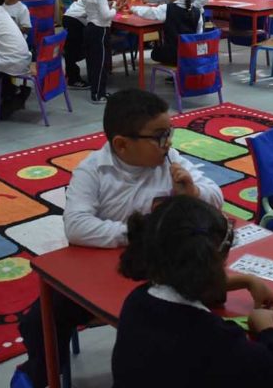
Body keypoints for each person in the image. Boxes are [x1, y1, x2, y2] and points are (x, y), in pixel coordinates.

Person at [15, 89, 224, 388]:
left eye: (169, 133)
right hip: (101, 273)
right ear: (122, 144)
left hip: (162, 273)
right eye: (159, 136)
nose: (168, 143)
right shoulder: (93, 171)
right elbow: (77, 226)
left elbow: (216, 198)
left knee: (208, 298)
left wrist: (193, 193)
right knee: (38, 321)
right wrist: (142, 233)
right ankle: (43, 370)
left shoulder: (169, 161)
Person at [112, 195, 273, 388]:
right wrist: (267, 328)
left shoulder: (136, 300)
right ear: (211, 263)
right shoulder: (214, 338)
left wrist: (246, 280)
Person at [131, 0, 202, 65]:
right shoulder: (197, 11)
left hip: (174, 55)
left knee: (155, 53)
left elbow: (149, 12)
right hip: (191, 55)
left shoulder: (167, 8)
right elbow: (199, 34)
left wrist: (133, 8)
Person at [78, 0, 117, 104]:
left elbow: (95, 7)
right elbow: (106, 15)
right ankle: (98, 95)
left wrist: (108, 5)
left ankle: (97, 91)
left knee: (93, 63)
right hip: (100, 30)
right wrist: (116, 8)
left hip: (90, 28)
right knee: (100, 65)